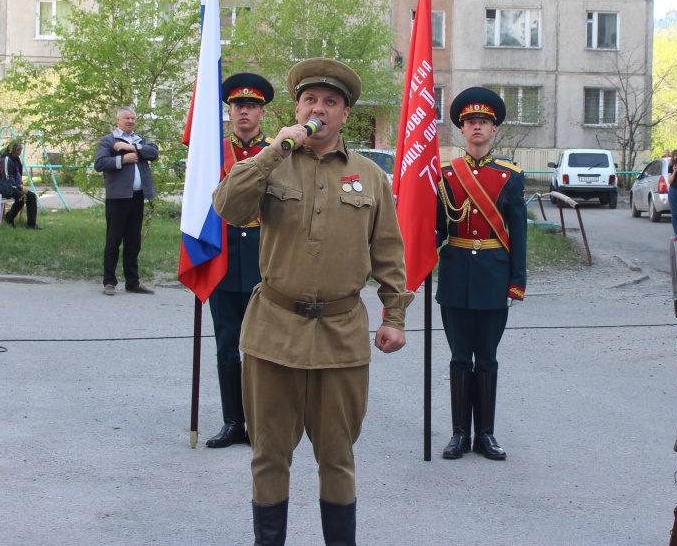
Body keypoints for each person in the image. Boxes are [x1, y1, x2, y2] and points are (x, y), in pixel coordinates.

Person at [212, 57, 411, 546]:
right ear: (297, 109)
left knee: (338, 457)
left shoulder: (370, 177)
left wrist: (395, 315)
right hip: (273, 330)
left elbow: (388, 251)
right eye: (309, 100)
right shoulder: (271, 163)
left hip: (341, 336)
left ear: (345, 114)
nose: (318, 109)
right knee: (269, 454)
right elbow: (227, 206)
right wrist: (273, 152)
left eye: (330, 102)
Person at [435, 87, 527, 461]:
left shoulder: (511, 176)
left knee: (486, 357)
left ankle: (485, 435)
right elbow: (437, 228)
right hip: (456, 274)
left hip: (493, 276)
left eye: (483, 122)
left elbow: (518, 232)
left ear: (494, 129)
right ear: (461, 129)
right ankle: (459, 434)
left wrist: (517, 281)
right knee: (460, 357)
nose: (477, 127)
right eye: (470, 122)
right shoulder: (443, 175)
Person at [206, 73, 275, 449]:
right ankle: (233, 422)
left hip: (267, 257)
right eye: (237, 106)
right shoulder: (213, 152)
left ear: (261, 112)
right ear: (229, 112)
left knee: (264, 346)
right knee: (227, 342)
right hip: (224, 258)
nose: (244, 112)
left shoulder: (280, 150)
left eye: (251, 106)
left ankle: (262, 424)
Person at [93, 106, 159, 296]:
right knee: (113, 241)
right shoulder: (108, 140)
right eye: (126, 118)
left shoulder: (139, 140)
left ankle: (132, 282)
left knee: (133, 241)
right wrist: (123, 160)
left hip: (137, 197)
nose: (130, 121)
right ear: (118, 120)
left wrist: (133, 147)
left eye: (132, 118)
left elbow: (153, 152)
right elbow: (99, 163)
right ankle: (109, 282)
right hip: (118, 198)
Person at [0, 142, 42, 230]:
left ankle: (31, 224)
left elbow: (17, 174)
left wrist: (20, 185)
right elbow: (6, 177)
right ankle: (9, 218)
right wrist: (19, 187)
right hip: (3, 187)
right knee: (22, 197)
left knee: (31, 196)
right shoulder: (5, 159)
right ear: (16, 150)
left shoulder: (16, 159)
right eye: (20, 149)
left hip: (13, 186)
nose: (21, 151)